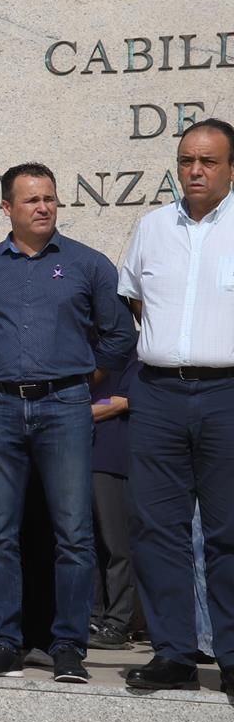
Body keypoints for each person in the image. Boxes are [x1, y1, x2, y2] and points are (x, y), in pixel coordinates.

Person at [0, 163, 134, 683]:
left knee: (75, 533)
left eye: (50, 198)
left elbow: (119, 335)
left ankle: (68, 647)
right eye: (31, 199)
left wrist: (81, 371)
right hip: (2, 409)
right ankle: (5, 641)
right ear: (7, 208)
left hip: (65, 408)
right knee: (0, 533)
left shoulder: (88, 264)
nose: (43, 207)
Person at [117, 118, 234, 692]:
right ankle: (174, 653)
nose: (194, 170)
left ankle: (231, 655)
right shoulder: (151, 227)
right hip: (159, 393)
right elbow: (133, 302)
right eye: (187, 159)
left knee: (227, 530)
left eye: (208, 161)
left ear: (231, 169)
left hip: (227, 394)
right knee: (156, 527)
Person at [86, 350, 142, 651]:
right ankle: (92, 615)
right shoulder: (82, 346)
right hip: (77, 456)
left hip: (111, 457)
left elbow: (122, 400)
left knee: (115, 543)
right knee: (87, 543)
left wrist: (79, 409)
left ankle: (118, 621)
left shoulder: (132, 349)